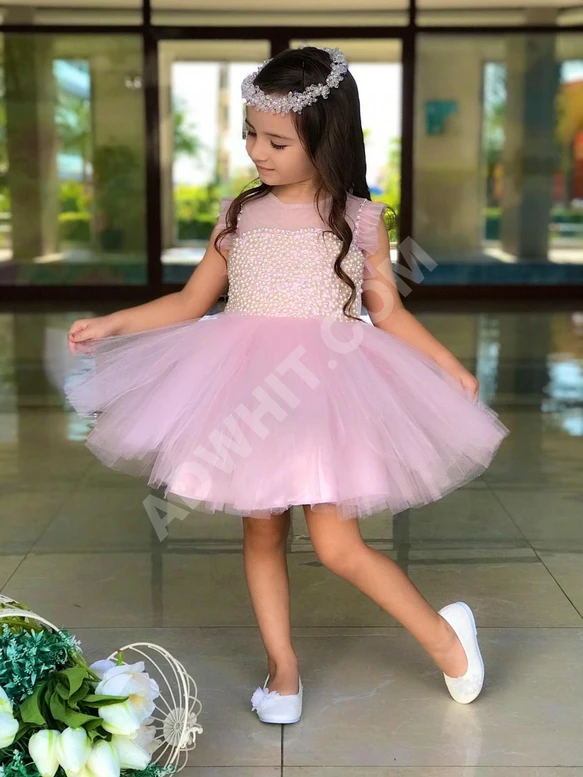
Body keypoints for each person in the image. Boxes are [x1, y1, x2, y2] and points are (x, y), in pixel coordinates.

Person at [66, 46, 508, 726]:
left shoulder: (359, 219)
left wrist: (446, 363)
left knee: (338, 546)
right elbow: (191, 302)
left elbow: (386, 310)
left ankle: (447, 637)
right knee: (262, 533)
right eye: (250, 134)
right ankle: (283, 670)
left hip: (323, 390)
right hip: (243, 389)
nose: (256, 152)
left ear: (325, 139)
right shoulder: (239, 215)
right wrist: (114, 322)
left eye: (276, 141)